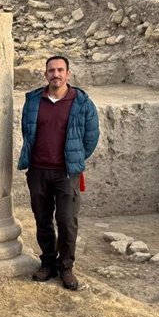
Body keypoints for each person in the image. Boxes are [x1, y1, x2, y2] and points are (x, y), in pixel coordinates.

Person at [17, 55, 100, 290]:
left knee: (66, 222)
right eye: (51, 70)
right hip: (38, 171)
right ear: (46, 74)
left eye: (60, 70)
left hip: (66, 173)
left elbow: (92, 136)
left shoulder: (82, 102)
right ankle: (47, 263)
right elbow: (27, 130)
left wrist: (75, 157)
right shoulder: (33, 101)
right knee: (42, 220)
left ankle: (66, 267)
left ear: (68, 74)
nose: (56, 74)